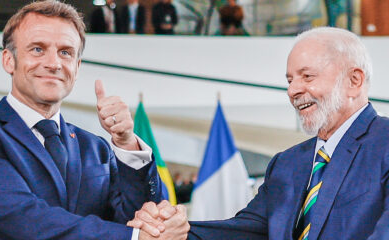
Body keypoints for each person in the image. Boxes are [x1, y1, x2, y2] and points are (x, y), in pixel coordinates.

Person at [129, 27, 389, 239]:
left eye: (307, 76)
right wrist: (173, 231)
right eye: (289, 80)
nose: (293, 90)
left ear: (354, 81)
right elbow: (243, 231)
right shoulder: (287, 163)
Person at [0, 1, 166, 239]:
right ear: (9, 60)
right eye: (37, 49)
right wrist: (134, 237)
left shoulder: (97, 148)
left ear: (77, 66)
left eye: (65, 52)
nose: (53, 63)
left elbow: (140, 216)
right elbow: (21, 218)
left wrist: (126, 145)